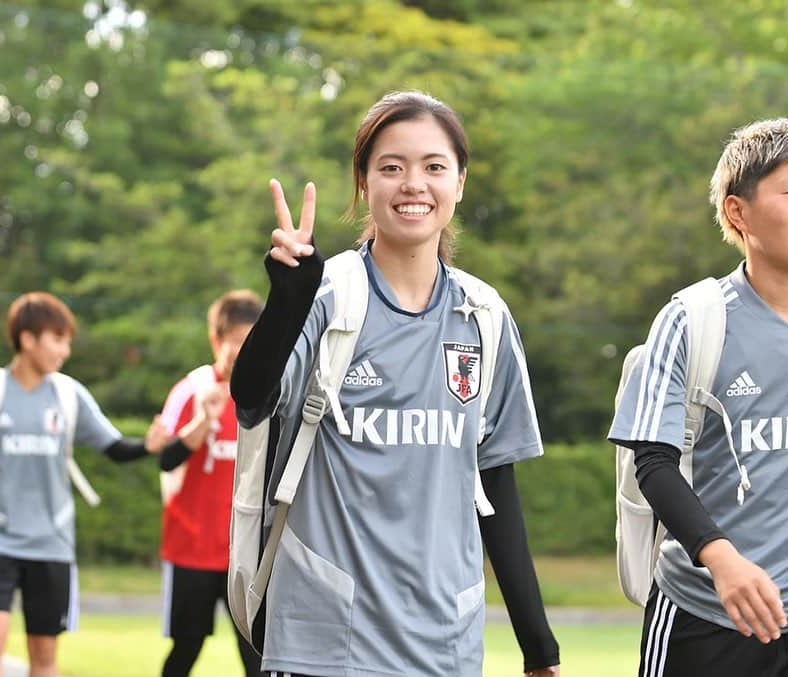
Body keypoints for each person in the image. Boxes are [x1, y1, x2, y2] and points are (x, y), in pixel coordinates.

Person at [230, 90, 560, 677]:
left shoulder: (483, 315)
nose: (414, 184)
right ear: (363, 182)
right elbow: (251, 398)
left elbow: (493, 484)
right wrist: (286, 300)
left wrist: (538, 645)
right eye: (391, 167)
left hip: (447, 648)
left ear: (459, 183)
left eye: (434, 166)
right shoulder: (325, 297)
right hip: (322, 646)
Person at [609, 118, 788, 676]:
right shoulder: (691, 319)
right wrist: (722, 562)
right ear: (737, 212)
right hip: (706, 613)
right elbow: (654, 462)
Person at [0, 291, 168, 677]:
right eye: (58, 339)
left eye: (68, 340)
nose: (65, 350)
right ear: (27, 339)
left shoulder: (69, 395)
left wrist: (149, 445)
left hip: (51, 543)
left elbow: (114, 447)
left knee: (44, 655)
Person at [156, 289, 263, 677]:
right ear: (217, 340)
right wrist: (203, 422)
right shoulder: (193, 390)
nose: (245, 349)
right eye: (236, 341)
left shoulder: (269, 392)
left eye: (252, 339)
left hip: (248, 555)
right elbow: (165, 459)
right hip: (194, 550)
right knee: (186, 648)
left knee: (258, 658)